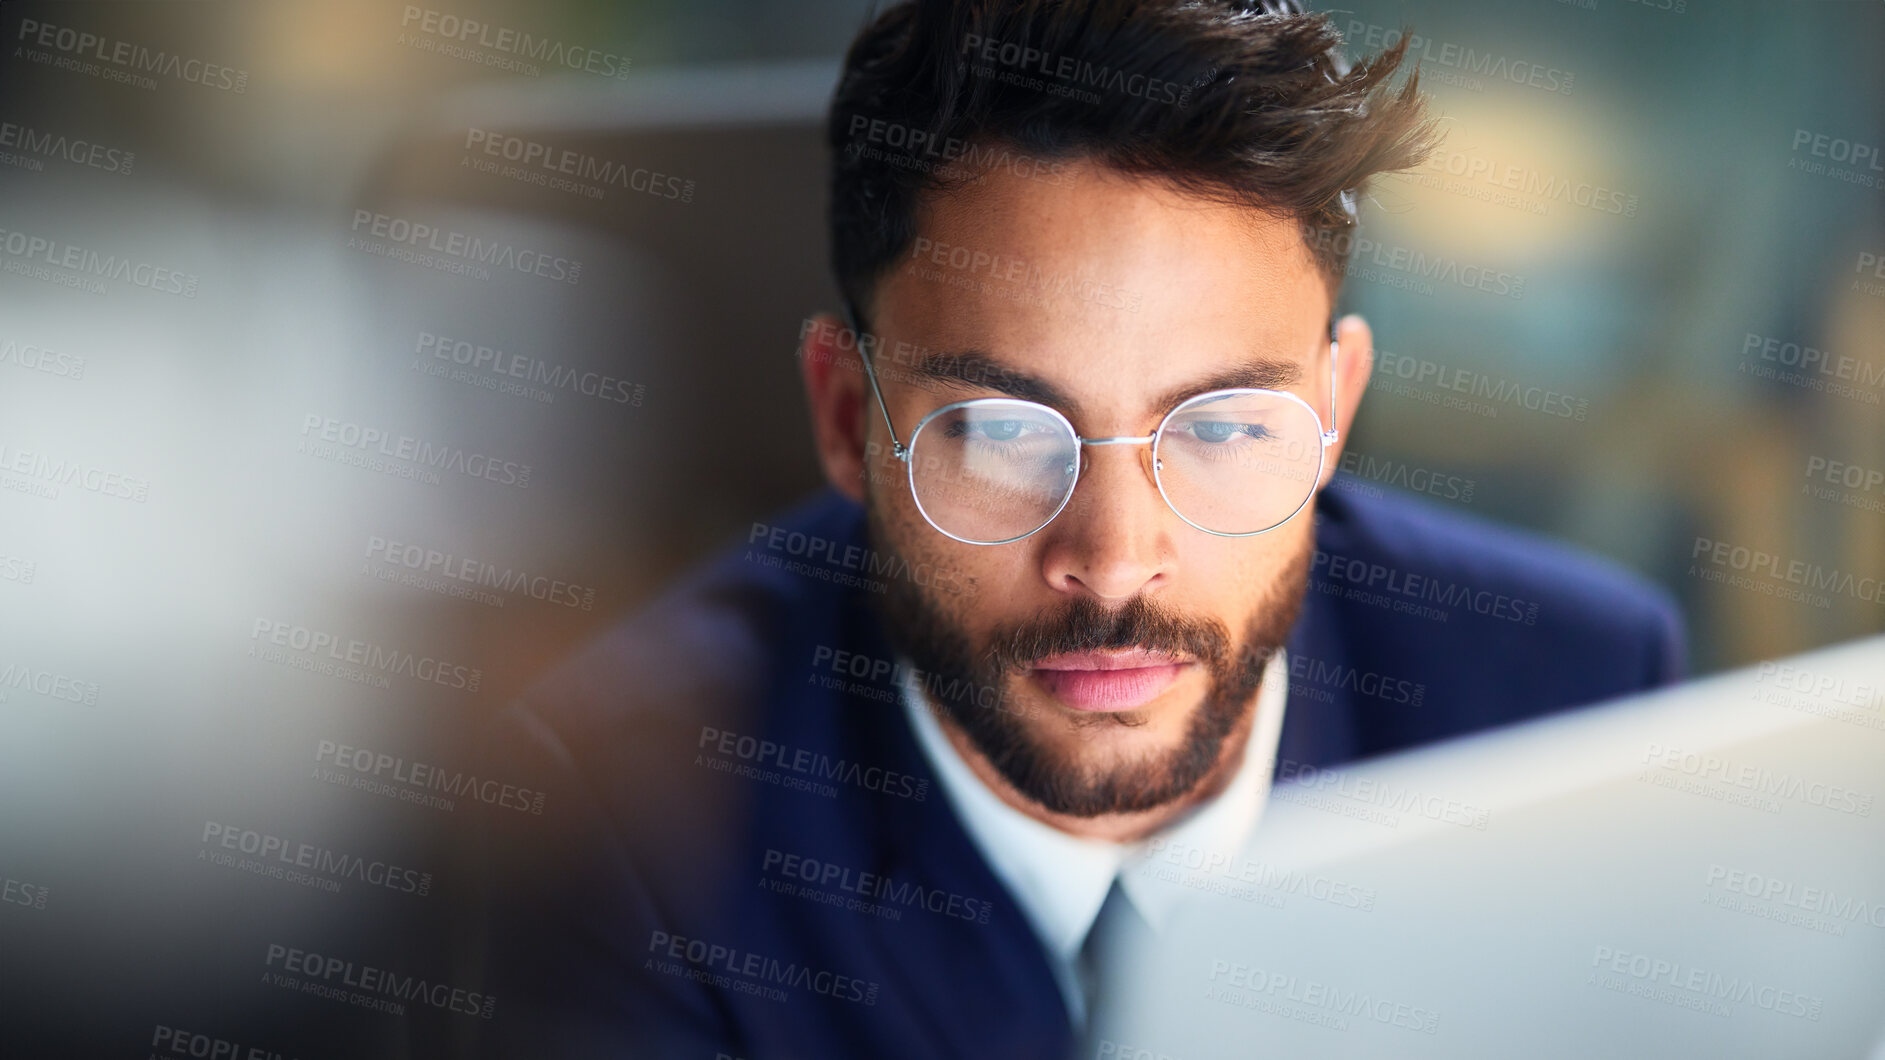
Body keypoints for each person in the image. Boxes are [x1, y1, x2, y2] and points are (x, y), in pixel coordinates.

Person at [473, 2, 1685, 1057]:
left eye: (1220, 426)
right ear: (847, 416)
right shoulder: (614, 829)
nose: (1111, 559)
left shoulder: (1572, 700)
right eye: (1004, 434)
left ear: (1331, 413)